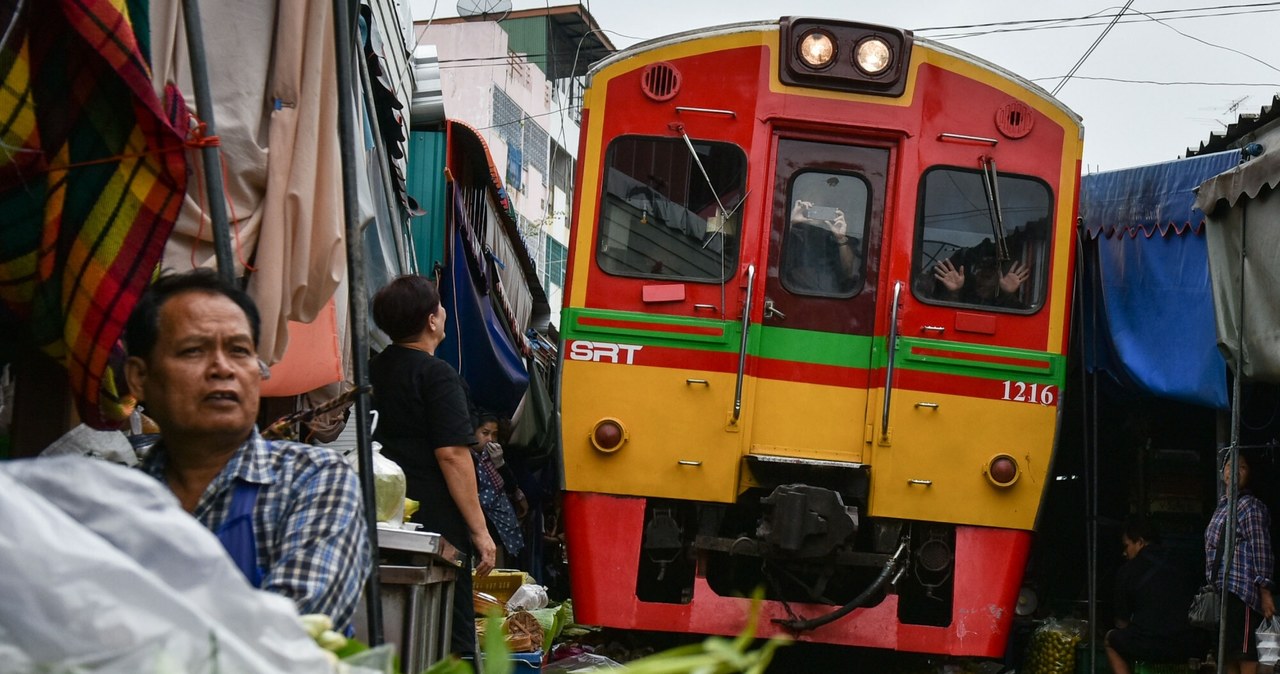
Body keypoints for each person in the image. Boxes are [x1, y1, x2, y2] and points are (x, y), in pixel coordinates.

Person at [123, 269, 370, 628]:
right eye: (193, 350)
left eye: (239, 351)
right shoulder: (120, 499)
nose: (223, 368)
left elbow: (292, 627)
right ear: (139, 378)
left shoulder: (313, 480)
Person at [367, 274, 497, 656]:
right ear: (432, 320)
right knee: (451, 634)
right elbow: (452, 454)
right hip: (435, 523)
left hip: (384, 516)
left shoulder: (373, 368)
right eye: (439, 306)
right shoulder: (436, 374)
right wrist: (479, 531)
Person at [1205, 452, 1276, 674]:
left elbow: (1261, 548)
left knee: (1245, 657)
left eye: (1242, 467)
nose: (1234, 470)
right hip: (1222, 592)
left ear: (1249, 474)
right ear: (1222, 473)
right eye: (1229, 465)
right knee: (1226, 658)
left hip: (1241, 592)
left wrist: (1265, 592)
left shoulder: (1251, 507)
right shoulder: (1221, 508)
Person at [1104, 518, 1204, 674]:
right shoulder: (1184, 562)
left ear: (1140, 542)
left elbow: (1122, 623)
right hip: (1188, 645)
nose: (1124, 553)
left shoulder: (1127, 571)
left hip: (1148, 646)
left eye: (1126, 546)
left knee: (1110, 639)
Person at [472, 411, 525, 564]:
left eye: (494, 435)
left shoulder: (492, 457)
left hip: (502, 523)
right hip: (482, 521)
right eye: (485, 433)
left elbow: (509, 485)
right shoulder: (468, 458)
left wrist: (500, 464)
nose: (490, 439)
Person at [783, 197, 860, 295]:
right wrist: (791, 222)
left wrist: (841, 238)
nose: (815, 211)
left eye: (821, 208)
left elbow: (849, 271)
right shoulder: (792, 234)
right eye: (810, 206)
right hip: (794, 294)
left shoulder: (836, 236)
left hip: (833, 297)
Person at [931, 240, 1029, 307]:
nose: (981, 280)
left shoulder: (1003, 300)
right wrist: (954, 293)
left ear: (999, 280)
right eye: (978, 272)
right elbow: (946, 315)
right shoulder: (965, 294)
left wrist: (1008, 294)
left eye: (988, 277)